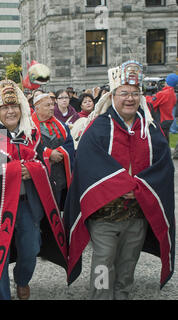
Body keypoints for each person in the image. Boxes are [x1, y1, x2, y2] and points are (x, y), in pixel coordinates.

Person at [64, 60, 175, 300]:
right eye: (124, 93)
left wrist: (139, 189)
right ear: (113, 96)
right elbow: (88, 164)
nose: (130, 98)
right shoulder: (98, 128)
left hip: (137, 214)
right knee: (103, 263)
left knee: (127, 268)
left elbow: (164, 166)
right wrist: (122, 186)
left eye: (135, 93)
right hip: (104, 216)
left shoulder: (151, 130)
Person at [0, 79, 67, 300]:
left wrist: (32, 170)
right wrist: (16, 170)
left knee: (31, 249)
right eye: (5, 107)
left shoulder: (32, 134)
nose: (11, 111)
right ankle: (2, 296)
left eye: (14, 106)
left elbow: (44, 163)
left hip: (26, 204)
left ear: (22, 108)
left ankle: (22, 279)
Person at [32, 93, 74, 210]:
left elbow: (69, 143)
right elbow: (29, 147)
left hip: (59, 175)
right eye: (47, 105)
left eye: (52, 104)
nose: (52, 107)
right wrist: (48, 153)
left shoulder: (62, 126)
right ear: (37, 108)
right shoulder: (29, 127)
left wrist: (60, 152)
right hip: (40, 176)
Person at [146, 73, 178, 143]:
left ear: (167, 82)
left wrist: (147, 95)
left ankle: (164, 153)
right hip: (168, 119)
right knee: (165, 139)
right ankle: (167, 152)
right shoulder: (172, 93)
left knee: (160, 141)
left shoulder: (164, 93)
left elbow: (150, 103)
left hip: (161, 120)